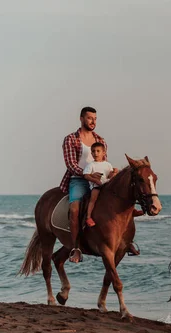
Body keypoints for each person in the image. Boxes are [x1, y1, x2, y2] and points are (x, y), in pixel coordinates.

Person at [59, 106, 137, 262]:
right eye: (89, 118)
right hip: (79, 179)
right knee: (74, 210)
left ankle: (126, 241)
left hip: (100, 179)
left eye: (95, 118)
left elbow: (103, 162)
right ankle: (76, 248)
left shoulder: (100, 140)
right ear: (81, 119)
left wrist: (111, 173)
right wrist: (87, 175)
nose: (93, 121)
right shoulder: (71, 139)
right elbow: (71, 164)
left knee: (120, 202)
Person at [84, 142, 116, 227]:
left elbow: (109, 175)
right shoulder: (91, 165)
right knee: (93, 199)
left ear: (104, 153)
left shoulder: (107, 164)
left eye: (98, 151)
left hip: (107, 185)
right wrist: (95, 180)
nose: (95, 153)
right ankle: (88, 217)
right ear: (91, 153)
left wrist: (113, 173)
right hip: (97, 186)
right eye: (93, 151)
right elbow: (86, 175)